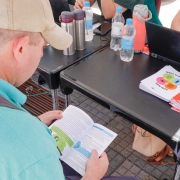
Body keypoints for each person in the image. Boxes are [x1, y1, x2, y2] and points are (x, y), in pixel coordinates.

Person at [0, 0, 140, 179]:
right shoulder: (31, 146)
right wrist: (93, 175)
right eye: (43, 46)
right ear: (20, 49)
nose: (43, 54)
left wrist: (33, 123)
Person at [74, 0, 143, 19]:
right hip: (106, 30)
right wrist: (83, 3)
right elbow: (89, 1)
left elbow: (109, 14)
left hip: (128, 36)